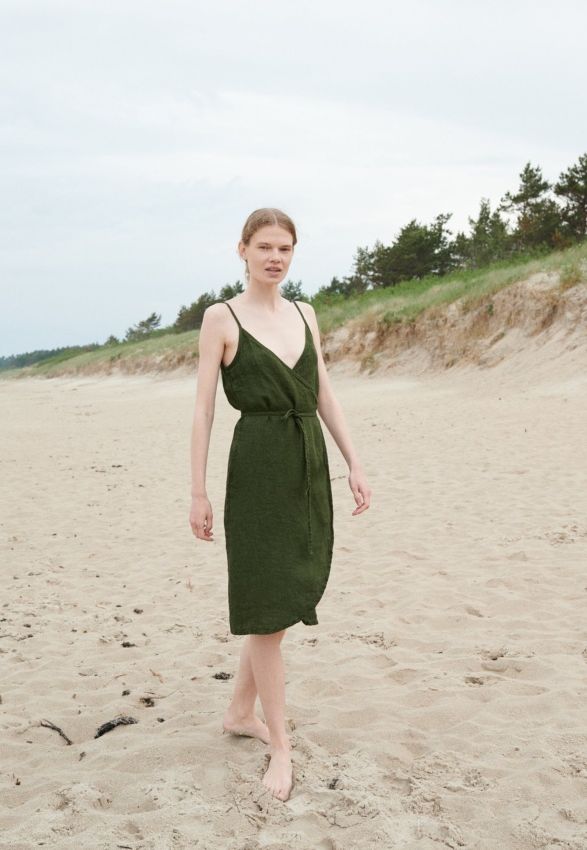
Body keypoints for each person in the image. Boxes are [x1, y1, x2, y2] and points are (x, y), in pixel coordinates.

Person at [190, 208, 370, 802]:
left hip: (307, 463)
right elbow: (205, 411)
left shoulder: (304, 313)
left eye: (285, 248)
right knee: (267, 607)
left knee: (283, 598)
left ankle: (241, 711)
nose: (275, 257)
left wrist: (354, 463)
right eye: (264, 246)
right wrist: (198, 490)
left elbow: (323, 393)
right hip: (258, 468)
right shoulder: (221, 317)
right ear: (241, 250)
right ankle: (280, 747)